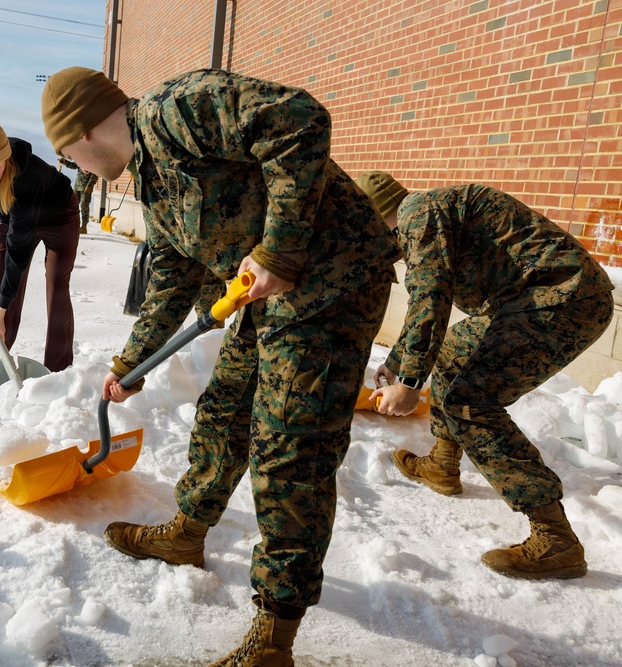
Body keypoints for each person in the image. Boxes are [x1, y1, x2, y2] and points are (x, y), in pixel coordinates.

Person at [41, 67, 401, 666]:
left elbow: (299, 119)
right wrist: (133, 363)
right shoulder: (152, 182)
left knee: (290, 446)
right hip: (274, 296)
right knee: (225, 408)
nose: (76, 168)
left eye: (66, 154)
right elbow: (173, 277)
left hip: (335, 282)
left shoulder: (176, 109)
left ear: (80, 132)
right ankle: (187, 532)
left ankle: (274, 637)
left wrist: (280, 246)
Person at [357, 171, 614, 580]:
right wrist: (400, 358)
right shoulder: (425, 214)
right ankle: (443, 463)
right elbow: (428, 298)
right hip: (531, 298)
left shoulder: (418, 214)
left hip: (562, 299)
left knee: (471, 399)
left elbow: (430, 295)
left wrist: (409, 385)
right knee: (454, 353)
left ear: (374, 216)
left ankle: (556, 539)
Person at [0, 121, 80, 383]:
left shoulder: (26, 178)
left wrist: (2, 310)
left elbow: (17, 252)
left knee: (56, 285)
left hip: (58, 216)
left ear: (6, 159)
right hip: (14, 216)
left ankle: (57, 369)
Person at [58, 158, 98, 233]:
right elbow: (73, 165)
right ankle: (70, 224)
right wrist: (65, 162)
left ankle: (84, 227)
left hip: (86, 189)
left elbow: (94, 176)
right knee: (72, 205)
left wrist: (89, 187)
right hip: (77, 187)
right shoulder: (81, 160)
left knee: (84, 206)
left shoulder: (92, 162)